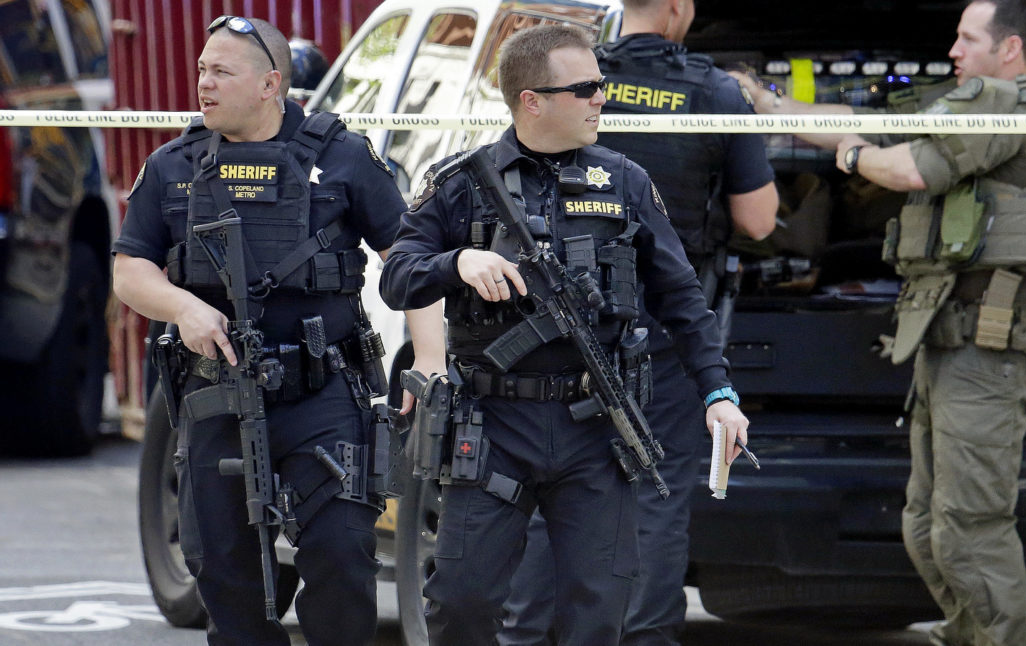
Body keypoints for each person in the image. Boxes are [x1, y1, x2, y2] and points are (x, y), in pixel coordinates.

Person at [379, 23, 750, 646]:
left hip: (595, 428)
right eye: (586, 89)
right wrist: (457, 264)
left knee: (598, 612)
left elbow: (683, 299)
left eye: (600, 86)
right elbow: (396, 276)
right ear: (533, 99)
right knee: (461, 604)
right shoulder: (461, 181)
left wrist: (718, 394)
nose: (603, 98)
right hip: (493, 423)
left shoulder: (624, 181)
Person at [737, 2, 1026, 644]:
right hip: (949, 341)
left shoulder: (1019, 104)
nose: (951, 49)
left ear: (1008, 50)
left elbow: (907, 167)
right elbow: (859, 123)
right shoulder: (974, 106)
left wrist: (855, 155)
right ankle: (966, 633)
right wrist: (767, 103)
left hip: (991, 344)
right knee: (927, 522)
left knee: (971, 522)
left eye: (966, 38)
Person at [111, 16, 424, 646]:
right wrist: (183, 308)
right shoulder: (174, 164)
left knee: (341, 561)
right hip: (215, 394)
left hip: (323, 395)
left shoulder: (343, 158)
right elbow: (129, 269)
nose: (202, 82)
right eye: (201, 69)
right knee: (226, 579)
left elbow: (411, 264)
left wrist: (430, 364)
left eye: (220, 71)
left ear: (270, 83)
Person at [499, 1, 777, 644]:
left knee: (547, 489)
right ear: (680, 10)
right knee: (654, 489)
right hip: (663, 330)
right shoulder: (714, 92)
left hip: (554, 331)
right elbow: (759, 220)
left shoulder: (567, 74)